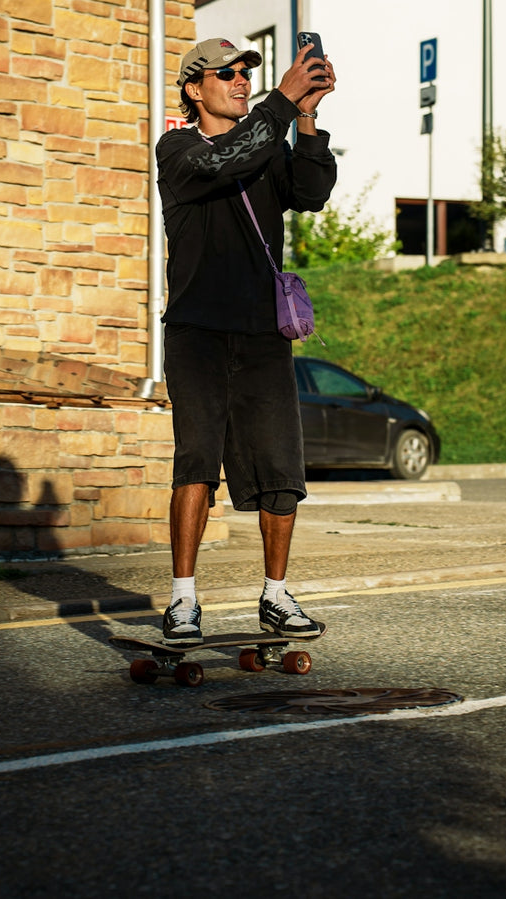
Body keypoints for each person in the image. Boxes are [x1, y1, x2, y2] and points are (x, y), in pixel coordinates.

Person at [155, 36, 337, 645]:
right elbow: (224, 162)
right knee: (197, 462)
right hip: (198, 332)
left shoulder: (266, 145)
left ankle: (276, 596)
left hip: (262, 333)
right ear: (194, 88)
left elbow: (310, 193)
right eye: (227, 73)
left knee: (281, 468)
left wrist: (305, 116)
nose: (240, 80)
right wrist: (281, 100)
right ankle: (183, 600)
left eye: (245, 73)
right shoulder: (177, 149)